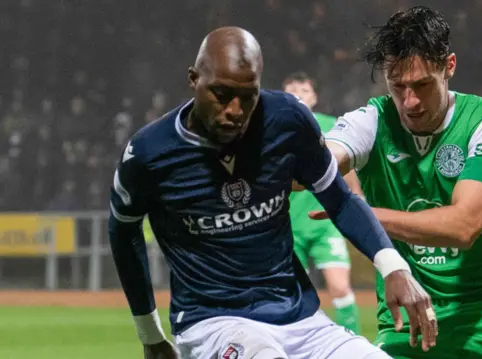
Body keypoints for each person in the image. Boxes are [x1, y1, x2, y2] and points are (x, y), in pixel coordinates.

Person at [108, 26, 437, 359]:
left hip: (301, 319)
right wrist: (149, 334)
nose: (235, 110)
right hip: (213, 322)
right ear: (194, 80)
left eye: (247, 95)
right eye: (221, 94)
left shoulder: (288, 120)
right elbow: (123, 231)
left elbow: (340, 199)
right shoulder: (150, 153)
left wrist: (395, 268)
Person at [317, 6, 482, 358]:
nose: (409, 102)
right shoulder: (369, 122)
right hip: (410, 313)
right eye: (398, 87)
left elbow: (464, 226)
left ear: (450, 66)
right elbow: (318, 162)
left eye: (422, 85)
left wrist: (361, 214)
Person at [282, 71, 361, 335]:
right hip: (290, 223)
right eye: (292, 89)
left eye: (303, 90)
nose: (298, 95)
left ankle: (354, 344)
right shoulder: (275, 127)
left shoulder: (331, 126)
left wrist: (358, 202)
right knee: (295, 294)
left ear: (314, 97)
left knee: (339, 287)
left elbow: (348, 169)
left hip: (326, 222)